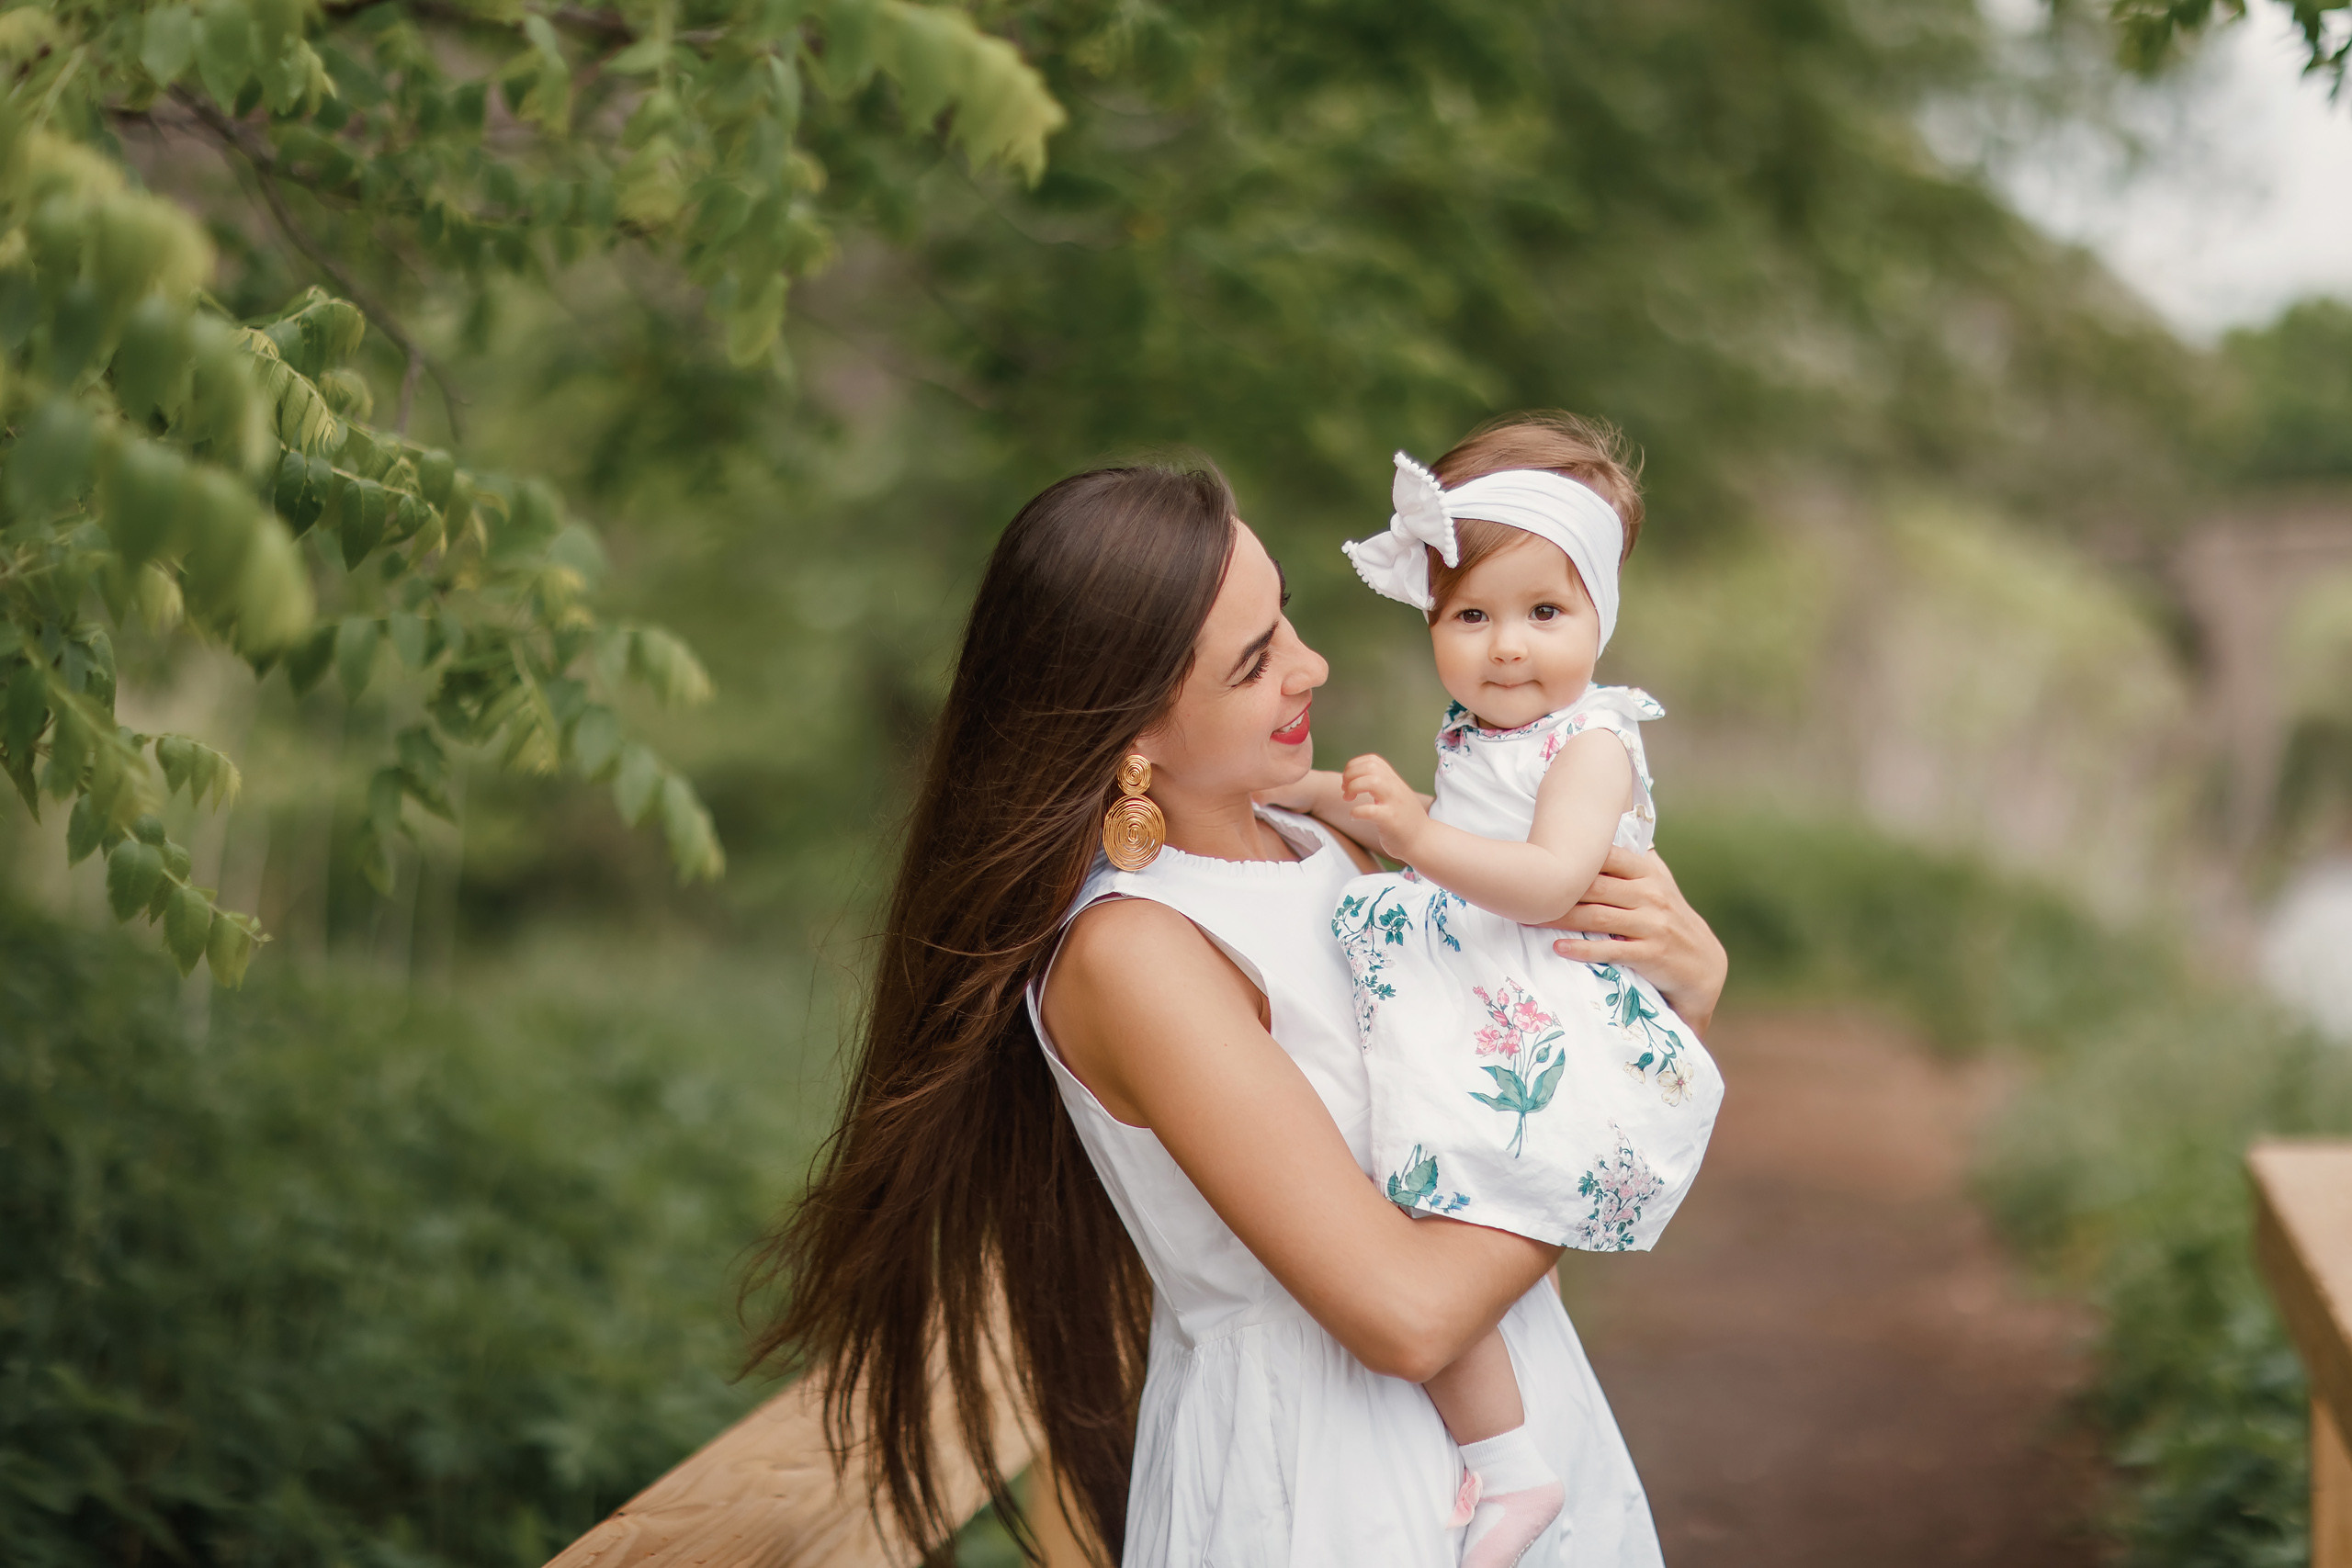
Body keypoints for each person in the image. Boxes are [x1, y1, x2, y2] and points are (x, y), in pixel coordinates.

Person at [748, 459, 1728, 1567]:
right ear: (1132, 727)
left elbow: (1501, 1096)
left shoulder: (1334, 847)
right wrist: (1628, 1113)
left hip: (1528, 1420)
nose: (1310, 667)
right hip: (1329, 1482)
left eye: (1288, 622)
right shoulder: (1135, 953)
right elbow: (1406, 1313)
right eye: (1256, 662)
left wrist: (1678, 992)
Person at [1264, 415, 1724, 1567]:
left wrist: (1408, 831)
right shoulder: (1476, 734)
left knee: (1434, 1216)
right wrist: (1304, 794)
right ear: (1432, 624)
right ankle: (1505, 1457)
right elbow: (1422, 829)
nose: (1505, 647)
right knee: (1418, 1208)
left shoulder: (1593, 742)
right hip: (1477, 1000)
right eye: (1470, 615)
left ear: (1598, 619)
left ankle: (1506, 1462)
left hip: (1537, 1004)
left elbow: (1549, 881)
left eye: (1543, 613)